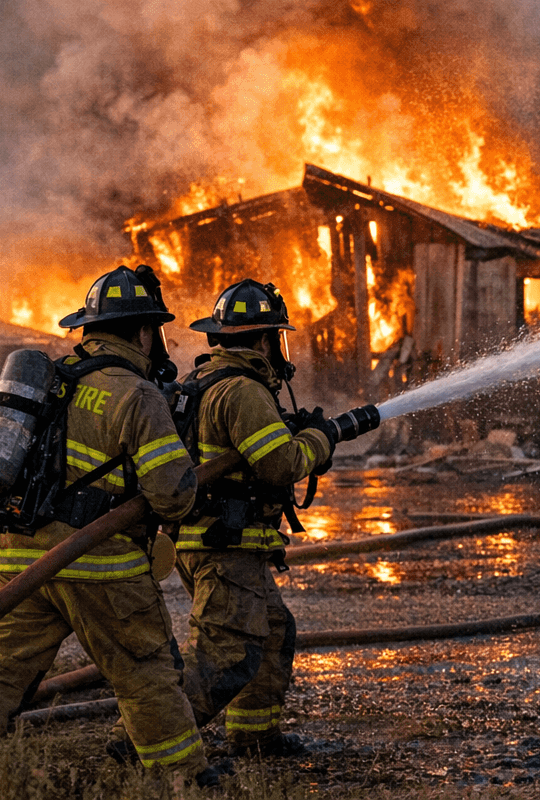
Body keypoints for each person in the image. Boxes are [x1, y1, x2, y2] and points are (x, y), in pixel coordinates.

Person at [0, 265, 217, 789]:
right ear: (145, 331)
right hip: (97, 564)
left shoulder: (49, 381)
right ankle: (185, 779)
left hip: (13, 555)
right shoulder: (137, 395)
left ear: (88, 327)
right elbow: (172, 495)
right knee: (144, 672)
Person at [166, 278, 338, 757]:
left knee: (272, 632)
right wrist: (319, 441)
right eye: (275, 337)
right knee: (225, 654)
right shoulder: (242, 390)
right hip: (226, 543)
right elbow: (279, 464)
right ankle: (146, 742)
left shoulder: (200, 383)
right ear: (264, 339)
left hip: (214, 538)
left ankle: (254, 737)